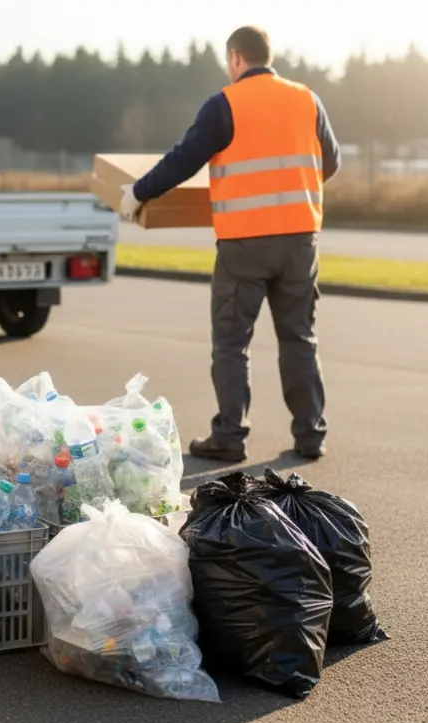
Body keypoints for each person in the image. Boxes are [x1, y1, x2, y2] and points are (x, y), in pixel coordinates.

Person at [120, 25, 341, 463]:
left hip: (245, 244)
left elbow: (183, 159)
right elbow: (330, 163)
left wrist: (138, 193)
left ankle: (230, 436)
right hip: (300, 239)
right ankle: (310, 435)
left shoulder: (226, 104)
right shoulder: (307, 99)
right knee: (299, 338)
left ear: (237, 58)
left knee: (231, 342)